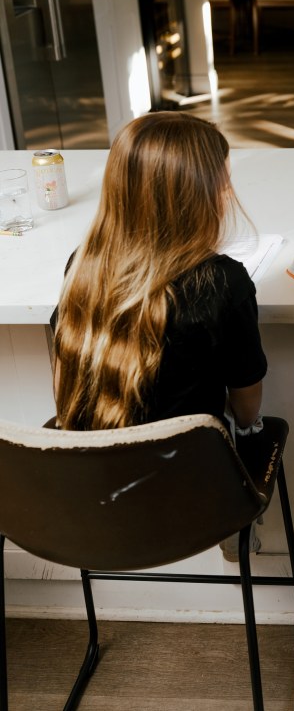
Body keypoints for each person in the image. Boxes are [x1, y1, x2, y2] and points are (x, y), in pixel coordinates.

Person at [52, 112, 267, 557]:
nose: (229, 193)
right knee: (256, 428)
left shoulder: (82, 267)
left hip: (93, 488)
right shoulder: (223, 281)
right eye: (222, 182)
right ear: (194, 198)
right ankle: (234, 530)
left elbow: (68, 379)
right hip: (189, 490)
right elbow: (247, 408)